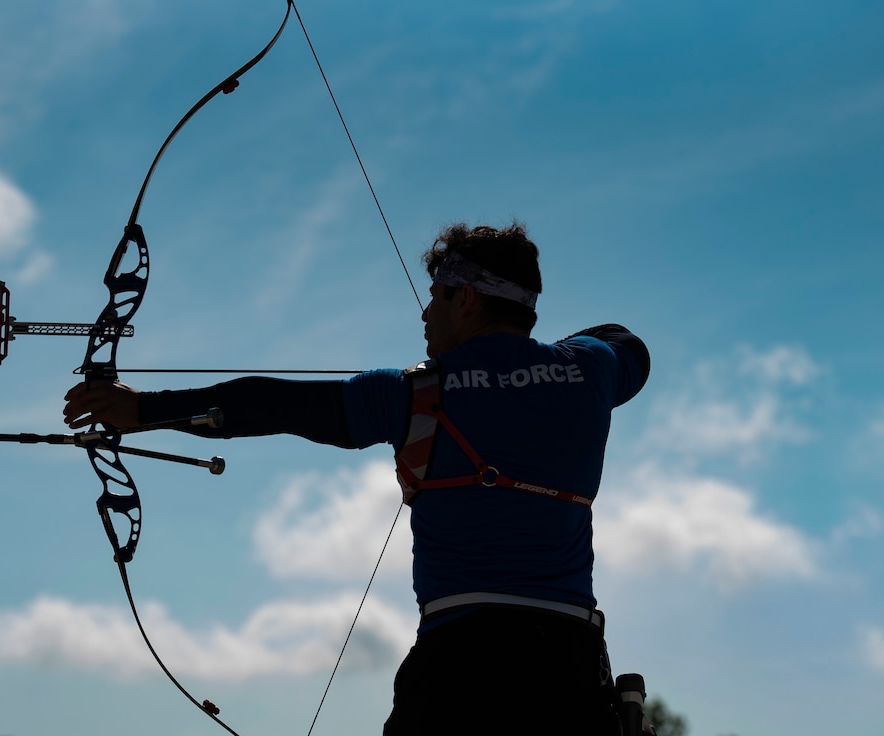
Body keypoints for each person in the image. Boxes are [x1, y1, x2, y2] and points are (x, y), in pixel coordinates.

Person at [63, 221, 650, 734]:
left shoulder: (414, 393)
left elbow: (270, 406)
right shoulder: (589, 371)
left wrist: (142, 410)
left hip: (458, 668)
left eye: (437, 297)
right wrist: (546, 362)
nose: (426, 313)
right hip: (570, 671)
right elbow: (629, 344)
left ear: (467, 300)